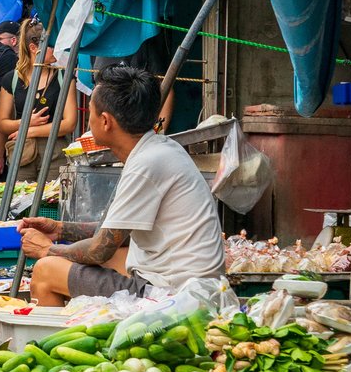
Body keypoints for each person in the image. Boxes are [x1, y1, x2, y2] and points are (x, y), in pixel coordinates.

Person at [19, 63, 225, 305]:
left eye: (92, 112)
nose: (89, 122)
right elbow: (116, 233)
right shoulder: (158, 149)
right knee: (116, 255)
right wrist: (61, 229)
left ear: (105, 121)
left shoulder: (146, 164)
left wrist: (47, 249)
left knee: (46, 270)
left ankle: (52, 342)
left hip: (173, 295)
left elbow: (99, 249)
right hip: (185, 284)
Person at [0, 21, 76, 177]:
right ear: (34, 48)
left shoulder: (63, 77)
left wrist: (30, 130)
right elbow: (2, 124)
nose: (57, 50)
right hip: (22, 151)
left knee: (52, 199)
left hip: (54, 149)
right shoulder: (12, 79)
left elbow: (70, 123)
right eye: (52, 46)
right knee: (20, 199)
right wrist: (25, 122)